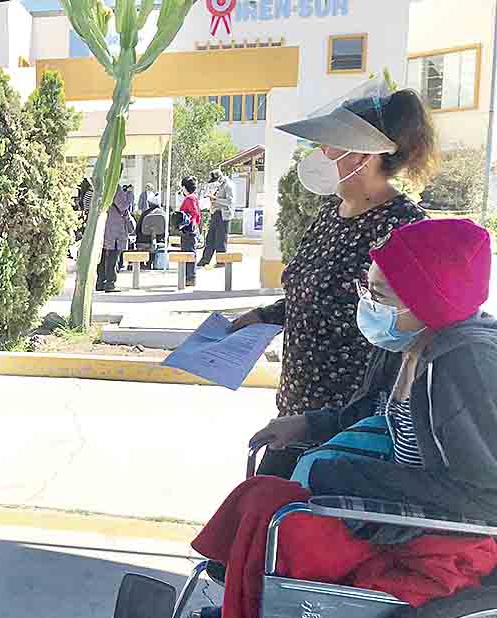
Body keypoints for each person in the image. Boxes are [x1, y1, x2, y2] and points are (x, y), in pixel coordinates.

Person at [193, 219, 497, 618]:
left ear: (427, 299)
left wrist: (345, 478)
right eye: (367, 288)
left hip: (442, 534)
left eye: (380, 294)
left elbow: (484, 495)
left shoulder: (464, 363)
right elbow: (371, 410)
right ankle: (241, 597)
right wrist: (307, 424)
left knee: (277, 513)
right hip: (401, 511)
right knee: (262, 494)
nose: (368, 303)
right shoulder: (408, 342)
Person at [229, 87, 437, 477]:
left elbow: (413, 326)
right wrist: (261, 316)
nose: (321, 154)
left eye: (330, 145)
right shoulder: (330, 212)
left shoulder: (404, 226)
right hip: (296, 407)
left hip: (350, 422)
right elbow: (311, 290)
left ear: (364, 155)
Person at [96, 184, 135, 293]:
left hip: (103, 223)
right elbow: (123, 206)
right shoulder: (114, 186)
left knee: (103, 254)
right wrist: (130, 194)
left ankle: (100, 282)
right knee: (113, 254)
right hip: (115, 226)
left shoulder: (101, 185)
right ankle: (110, 283)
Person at [196, 169, 234, 267]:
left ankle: (221, 261)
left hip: (223, 215)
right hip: (215, 213)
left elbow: (230, 202)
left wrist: (215, 200)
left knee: (220, 239)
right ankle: (205, 260)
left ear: (220, 177)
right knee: (210, 238)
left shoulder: (228, 185)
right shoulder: (218, 186)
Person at [177, 176, 201, 286]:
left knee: (188, 253)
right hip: (193, 229)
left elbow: (194, 213)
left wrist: (187, 223)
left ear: (184, 187)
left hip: (188, 230)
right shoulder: (194, 197)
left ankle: (190, 277)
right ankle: (190, 277)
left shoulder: (189, 198)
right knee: (191, 253)